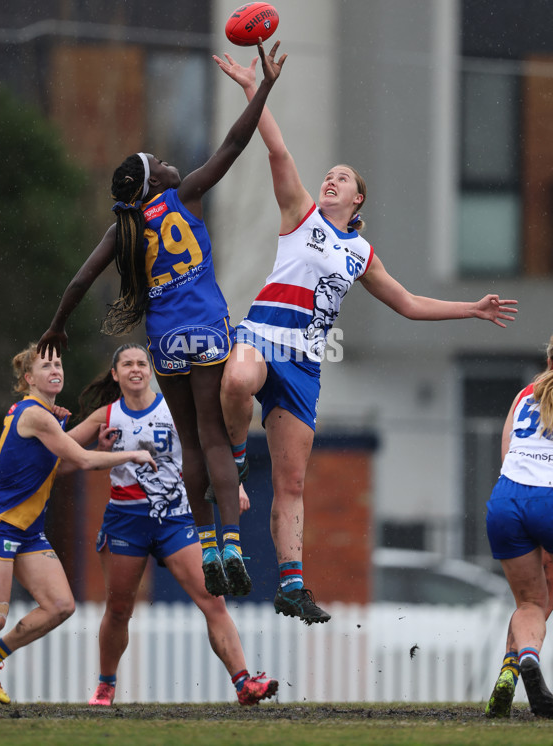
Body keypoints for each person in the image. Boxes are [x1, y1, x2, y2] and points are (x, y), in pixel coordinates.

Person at [212, 47, 519, 625]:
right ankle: (230, 459)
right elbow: (275, 148)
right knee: (241, 376)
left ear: (358, 201)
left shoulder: (361, 253)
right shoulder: (298, 214)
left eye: (342, 179)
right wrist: (257, 89)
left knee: (295, 481)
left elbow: (408, 303)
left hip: (304, 362)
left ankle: (292, 586)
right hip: (261, 336)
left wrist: (471, 310)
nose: (329, 180)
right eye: (329, 175)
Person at [37, 40, 287, 601]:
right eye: (161, 164)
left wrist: (57, 326)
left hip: (167, 341)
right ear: (155, 182)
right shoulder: (187, 194)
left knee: (192, 445)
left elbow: (79, 282)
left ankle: (205, 542)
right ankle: (232, 545)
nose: (171, 164)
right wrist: (264, 86)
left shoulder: (122, 229)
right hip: (209, 330)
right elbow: (235, 142)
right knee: (219, 439)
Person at [66, 343, 278, 706]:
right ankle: (106, 685)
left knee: (214, 601)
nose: (136, 369)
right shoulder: (107, 416)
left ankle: (244, 683)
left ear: (151, 371)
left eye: (141, 363)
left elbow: (212, 447)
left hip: (176, 519)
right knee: (119, 610)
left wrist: (235, 484)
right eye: (127, 364)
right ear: (115, 374)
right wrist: (98, 454)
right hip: (126, 521)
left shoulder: (174, 408)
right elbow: (63, 460)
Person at [0, 344, 155, 704]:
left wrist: (99, 447)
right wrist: (130, 454)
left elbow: (58, 466)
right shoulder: (37, 415)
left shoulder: (50, 417)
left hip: (28, 532)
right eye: (46, 366)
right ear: (29, 378)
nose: (55, 370)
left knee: (60, 606)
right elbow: (79, 457)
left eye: (58, 363)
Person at [485, 334, 553, 719]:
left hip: (507, 500)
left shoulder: (525, 393)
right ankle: (516, 663)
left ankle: (520, 661)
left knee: (531, 602)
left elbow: (507, 454)